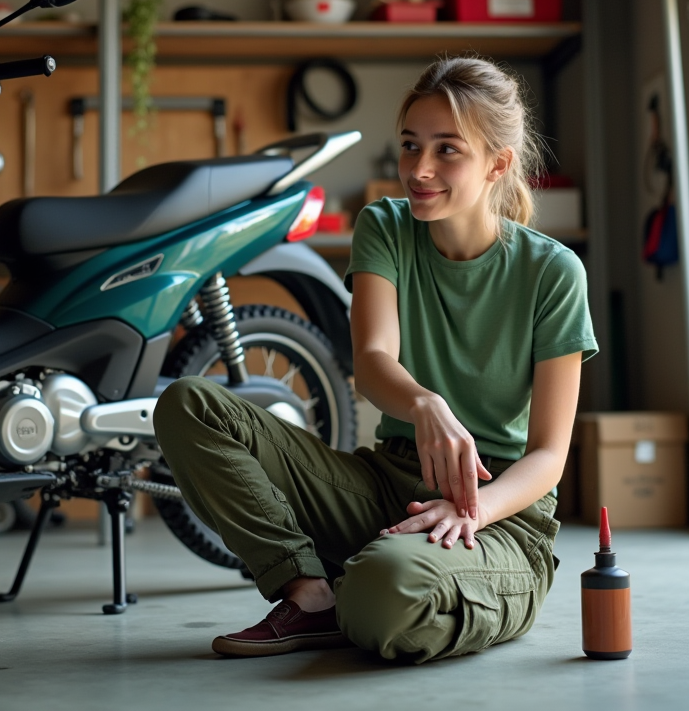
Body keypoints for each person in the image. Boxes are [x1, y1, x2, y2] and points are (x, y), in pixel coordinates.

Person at [153, 56, 596, 663]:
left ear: (498, 163)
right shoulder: (385, 227)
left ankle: (383, 583)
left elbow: (549, 454)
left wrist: (470, 510)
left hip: (498, 515)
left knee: (382, 592)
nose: (419, 169)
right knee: (187, 405)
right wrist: (424, 404)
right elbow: (372, 359)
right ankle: (310, 596)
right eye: (410, 145)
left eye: (447, 151)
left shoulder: (553, 272)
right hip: (384, 482)